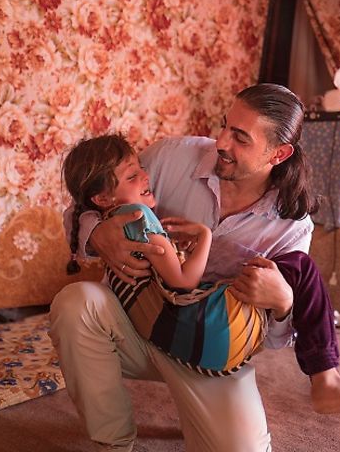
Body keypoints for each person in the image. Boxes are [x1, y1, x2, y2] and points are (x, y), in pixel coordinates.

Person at [49, 84, 340, 452]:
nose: (221, 142)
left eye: (240, 137)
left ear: (279, 154)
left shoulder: (292, 226)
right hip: (133, 326)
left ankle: (321, 381)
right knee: (75, 303)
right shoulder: (170, 158)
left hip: (207, 349)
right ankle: (113, 442)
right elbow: (86, 201)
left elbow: (271, 338)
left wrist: (282, 305)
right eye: (225, 126)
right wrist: (98, 232)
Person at [62, 133, 267, 376]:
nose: (145, 176)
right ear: (103, 199)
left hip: (157, 329)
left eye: (141, 168)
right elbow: (184, 282)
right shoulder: (137, 216)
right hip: (199, 338)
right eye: (132, 176)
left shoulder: (116, 220)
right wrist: (204, 236)